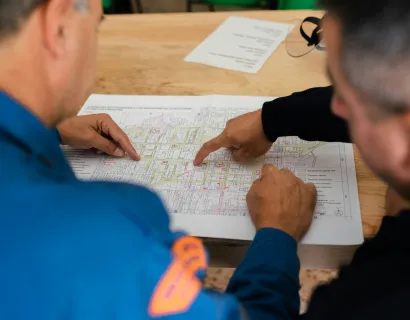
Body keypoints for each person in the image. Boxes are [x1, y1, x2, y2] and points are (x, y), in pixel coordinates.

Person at [0, 0, 316, 319]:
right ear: (59, 25)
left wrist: (49, 128)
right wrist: (277, 237)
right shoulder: (105, 248)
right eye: (96, 25)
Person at [196, 0, 410, 319]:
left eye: (344, 97)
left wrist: (276, 237)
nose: (335, 109)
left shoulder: (394, 298)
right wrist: (272, 119)